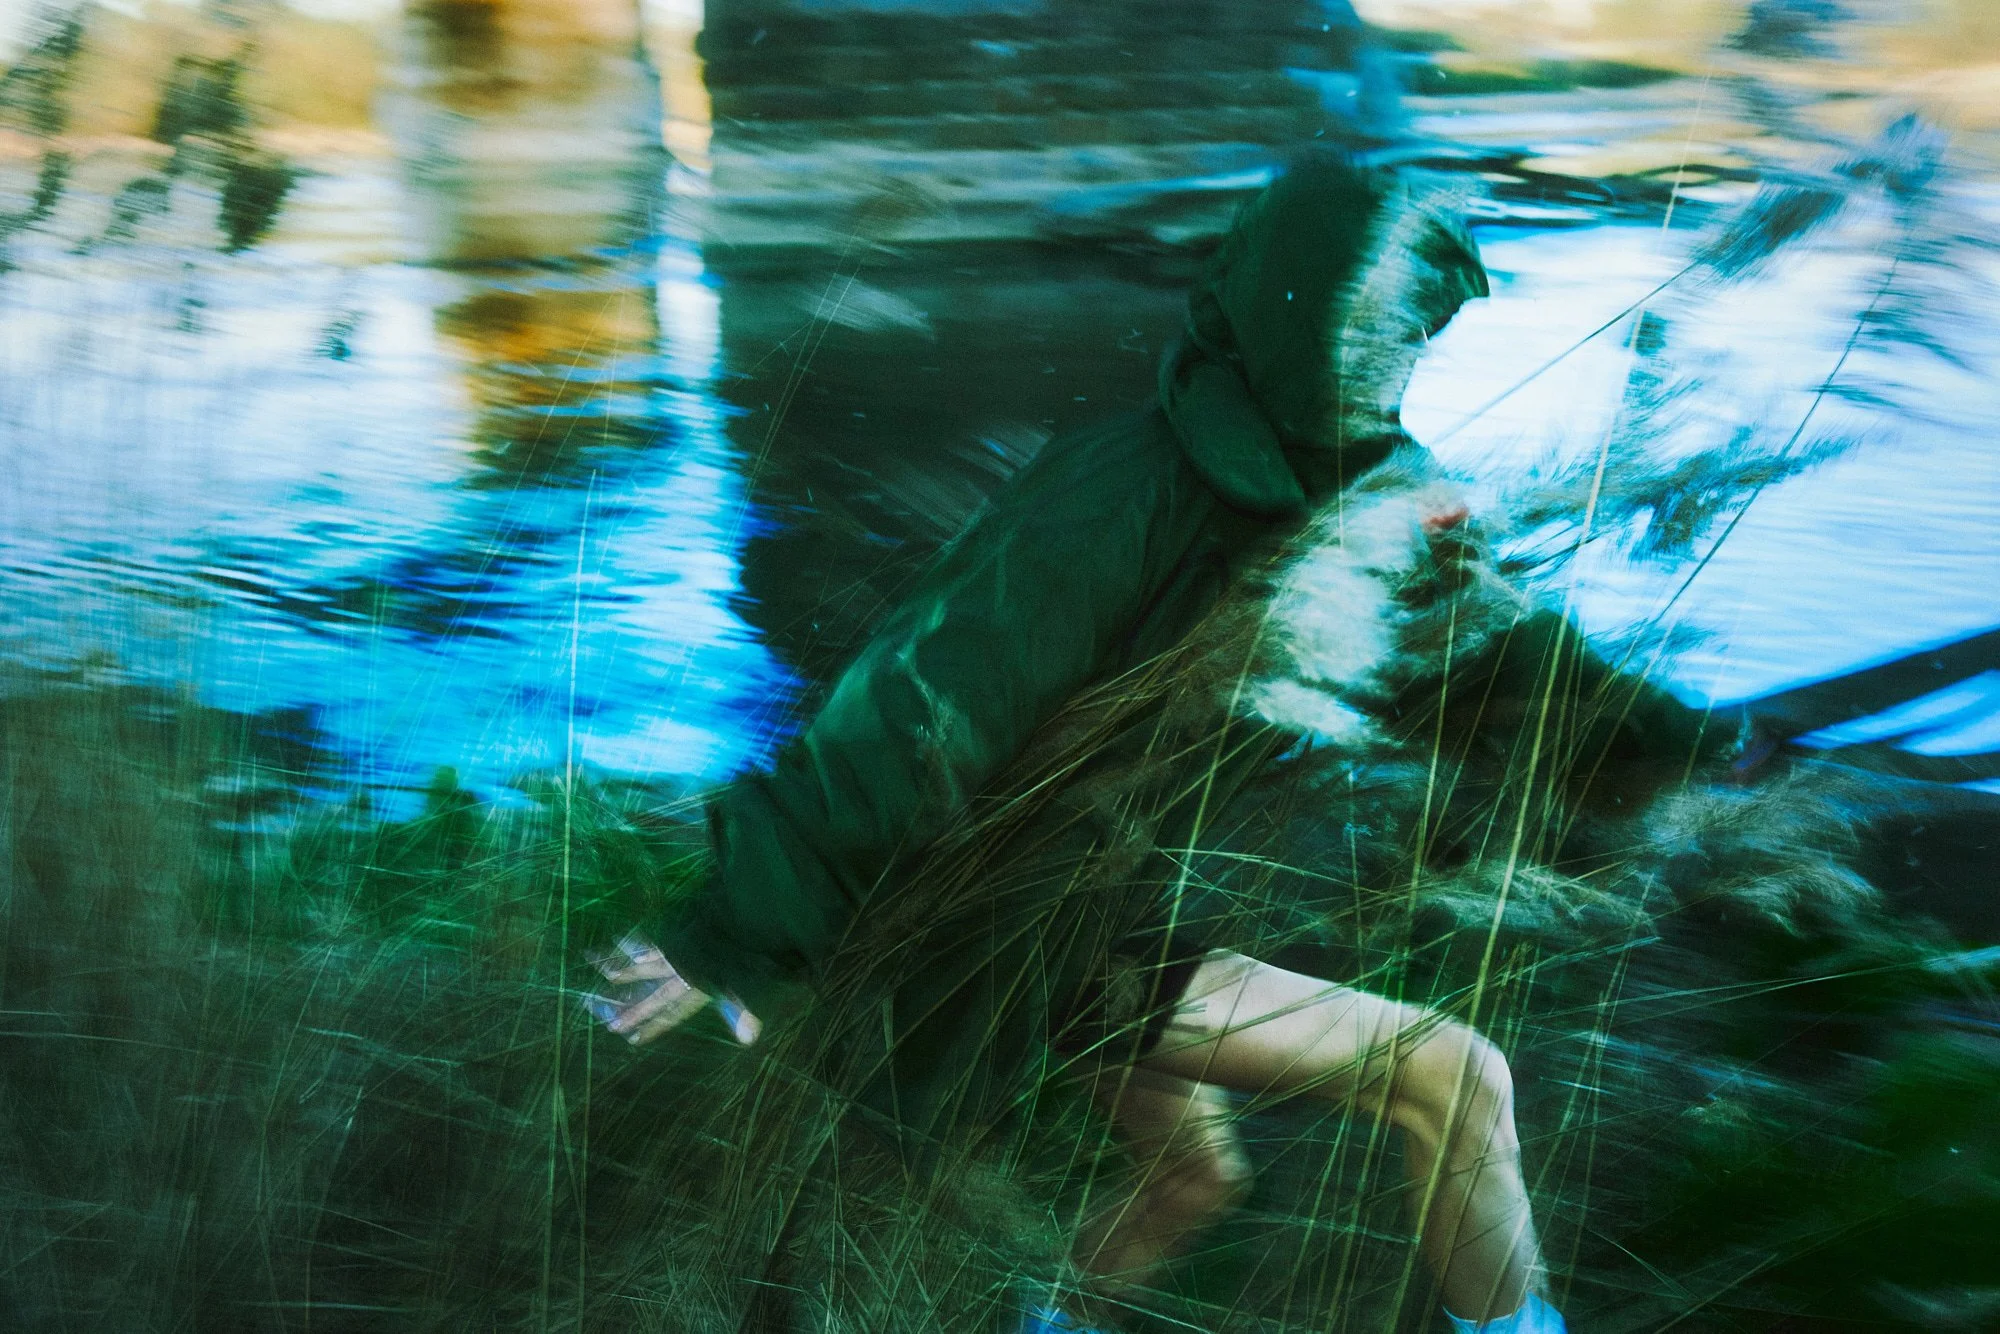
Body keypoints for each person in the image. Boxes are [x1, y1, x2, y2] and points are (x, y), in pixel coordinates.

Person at [591, 153, 1569, 1334]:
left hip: (1115, 897)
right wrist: (740, 927)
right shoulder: (1120, 492)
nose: (1390, 368)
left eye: (1411, 342)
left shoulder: (1356, 495)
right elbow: (923, 701)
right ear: (1291, 310)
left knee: (1192, 1178)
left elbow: (1479, 675)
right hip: (1030, 923)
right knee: (1451, 1076)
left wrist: (1688, 745)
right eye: (1368, 334)